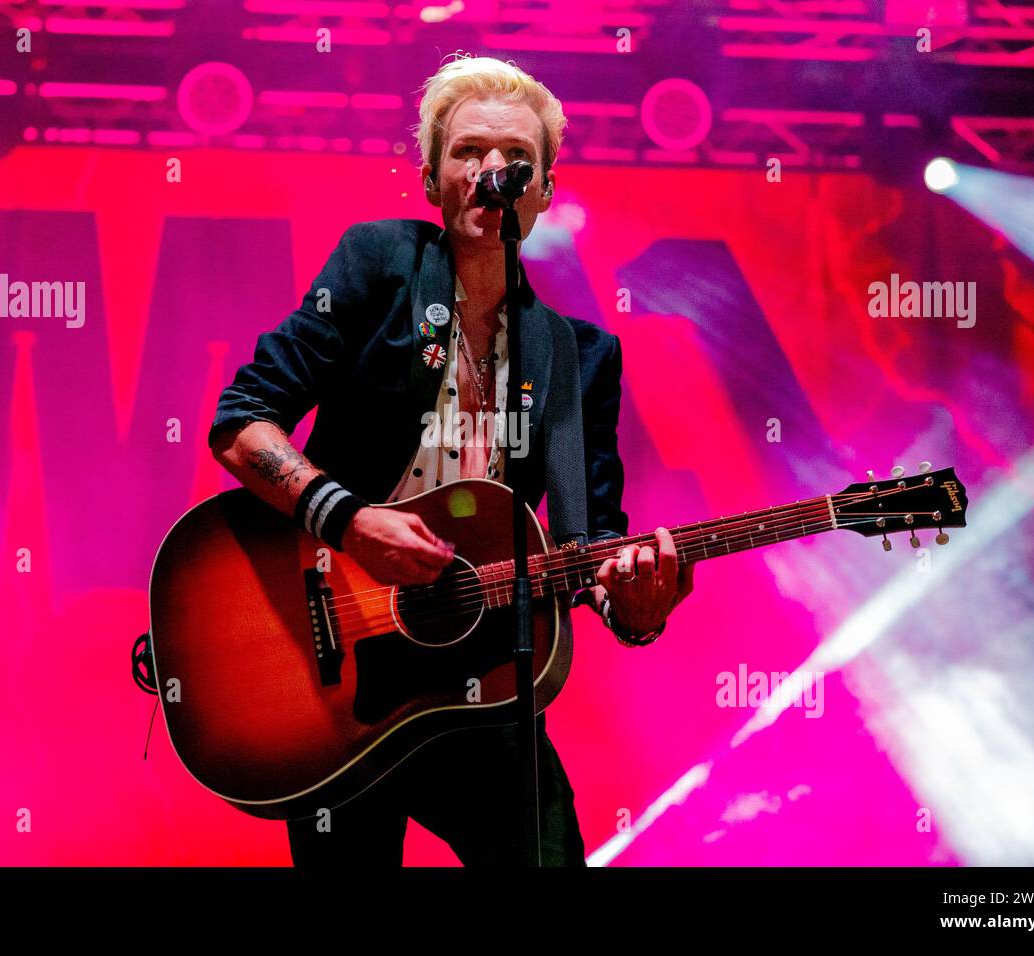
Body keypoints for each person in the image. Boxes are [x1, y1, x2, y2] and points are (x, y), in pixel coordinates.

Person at [208, 54, 694, 866]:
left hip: (482, 682)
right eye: (468, 152)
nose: (491, 171)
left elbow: (590, 547)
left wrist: (634, 610)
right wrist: (353, 523)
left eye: (516, 160)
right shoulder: (378, 264)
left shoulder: (578, 357)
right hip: (341, 673)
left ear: (542, 191)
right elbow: (241, 424)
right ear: (432, 178)